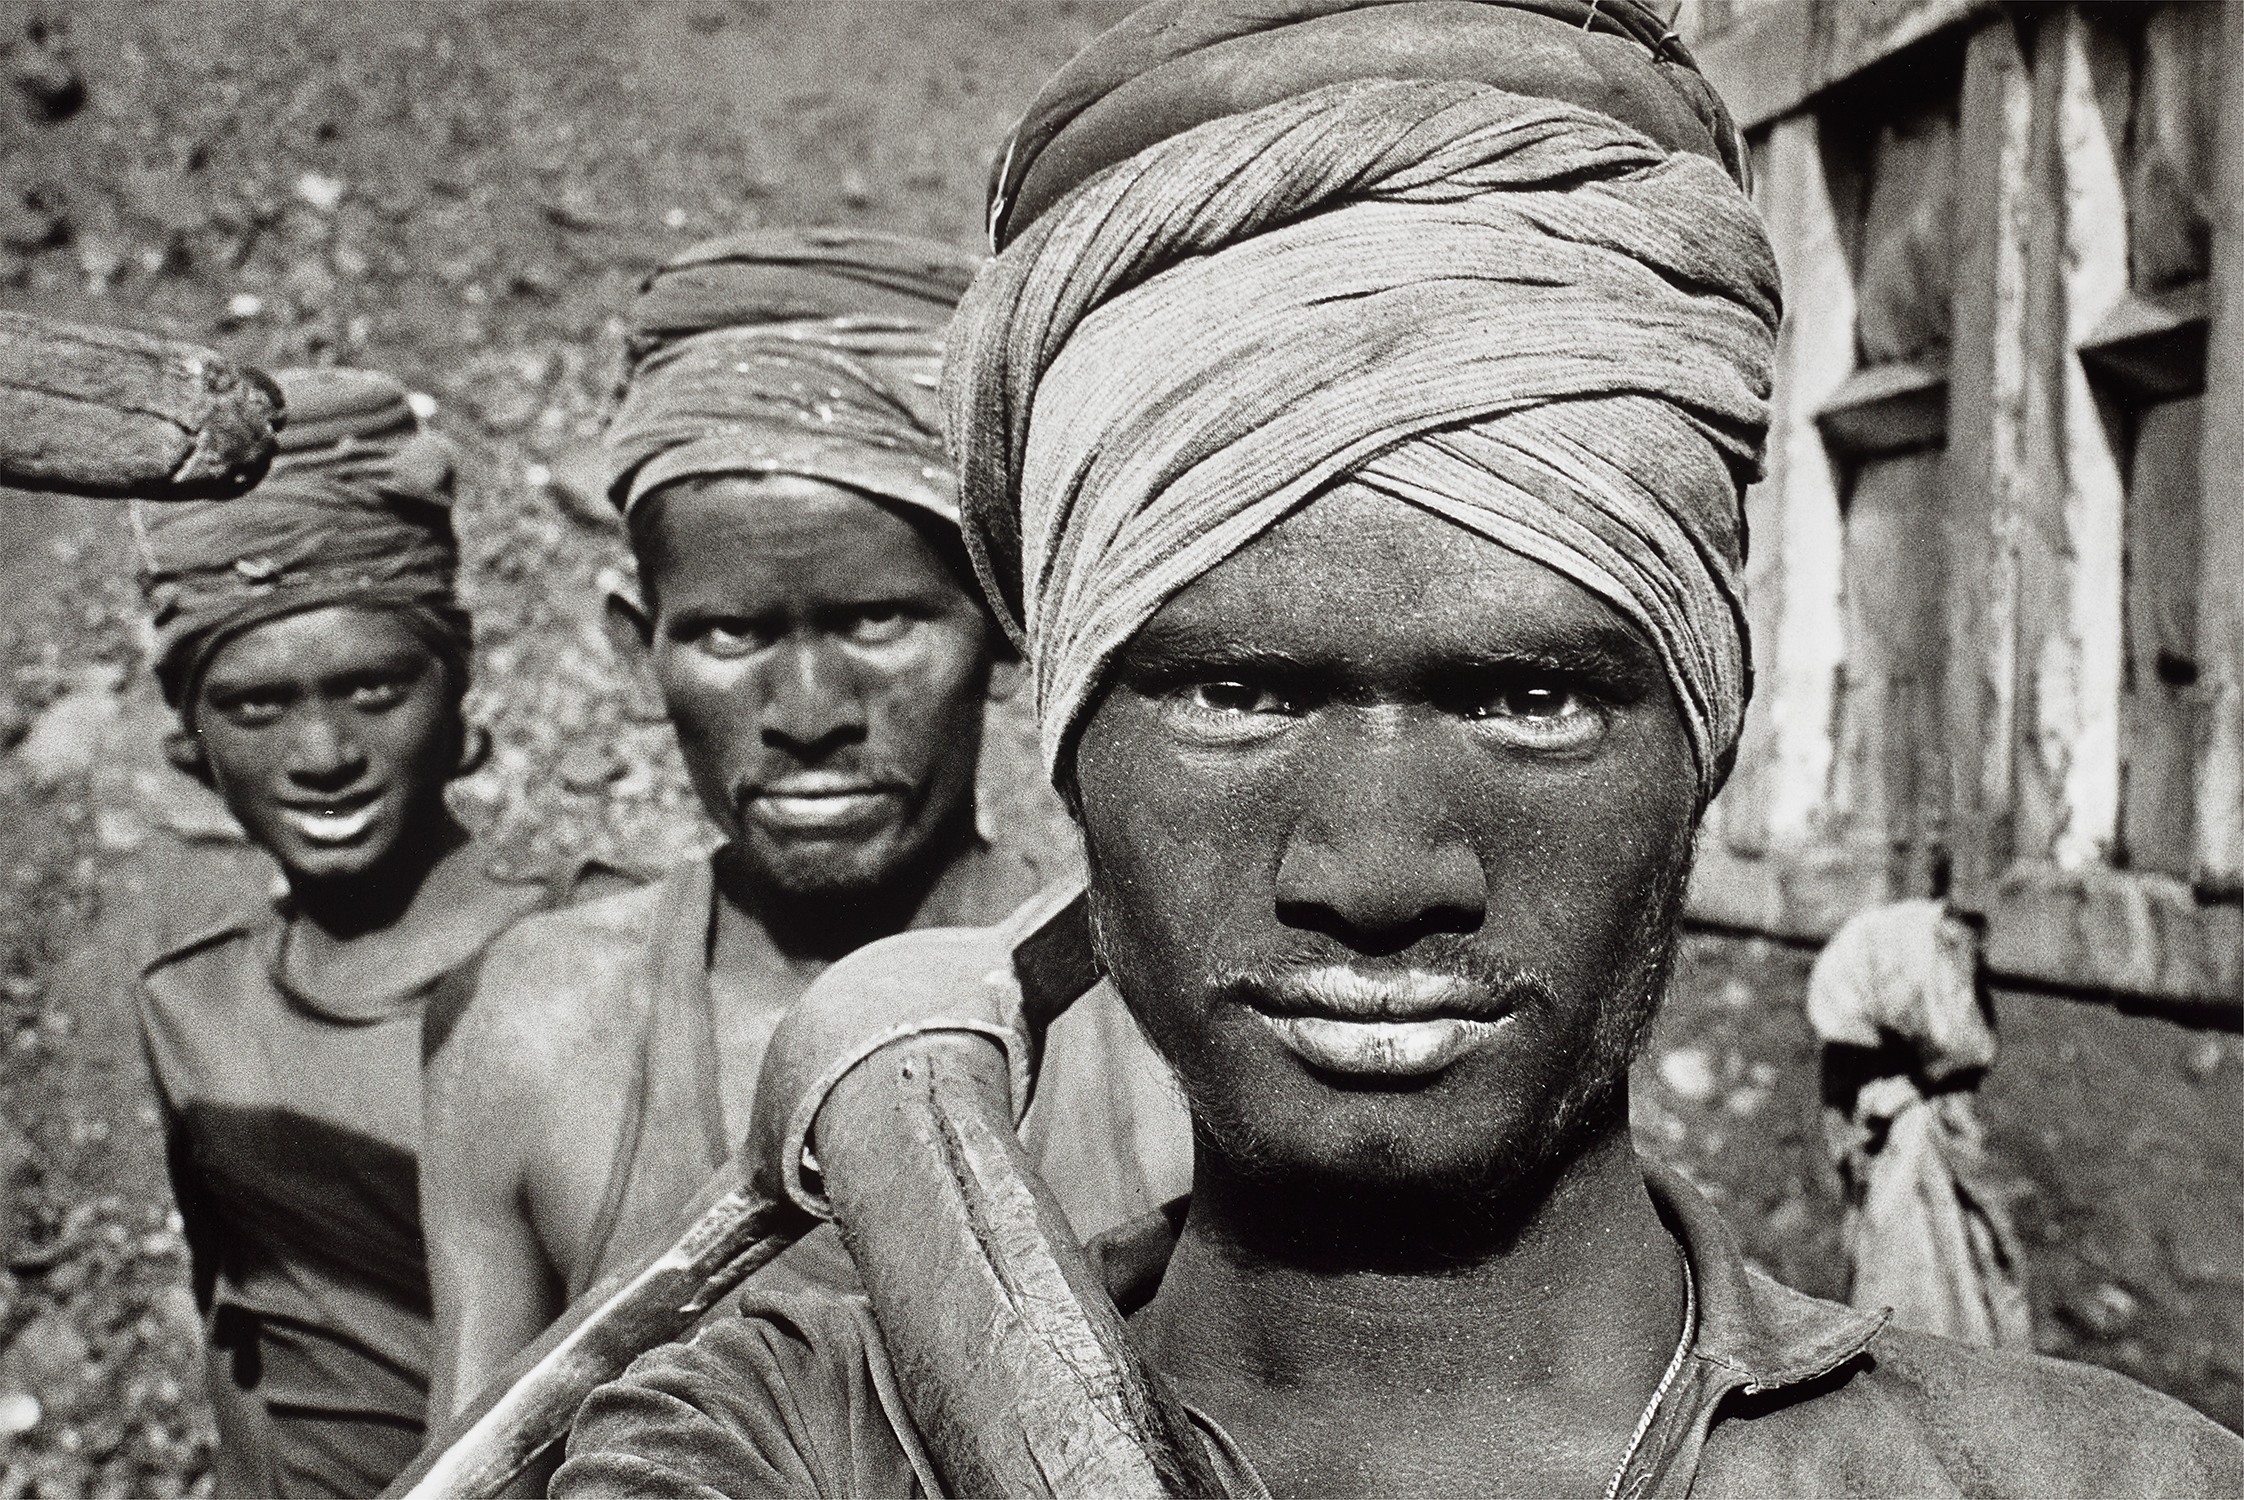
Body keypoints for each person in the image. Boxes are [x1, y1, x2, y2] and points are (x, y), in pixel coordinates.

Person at [551, 3, 2244, 1497]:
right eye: (1237, 694)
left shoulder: (2091, 1479)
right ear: (1062, 744)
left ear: (1701, 740)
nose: (1373, 872)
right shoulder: (788, 1444)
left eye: (1527, 699)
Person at [420, 227, 1190, 1443]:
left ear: (1005, 627)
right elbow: (481, 1463)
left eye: (880, 621)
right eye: (730, 637)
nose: (809, 716)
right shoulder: (543, 1027)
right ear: (638, 648)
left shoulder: (1149, 1019)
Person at [135, 367, 613, 1498]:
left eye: (373, 688)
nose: (323, 755)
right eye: (255, 705)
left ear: (456, 689)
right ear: (190, 736)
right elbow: (246, 1353)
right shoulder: (191, 1009)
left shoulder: (607, 952)